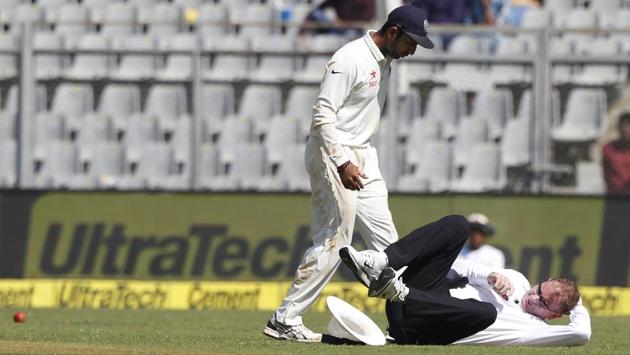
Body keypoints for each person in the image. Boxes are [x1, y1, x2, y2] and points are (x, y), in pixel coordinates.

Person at [263, 4, 435, 342]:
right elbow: (322, 115)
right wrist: (342, 162)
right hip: (334, 151)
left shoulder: (385, 61)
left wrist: (356, 158)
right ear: (393, 33)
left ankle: (406, 324)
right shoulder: (350, 58)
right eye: (411, 42)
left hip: (363, 154)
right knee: (335, 238)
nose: (413, 50)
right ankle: (285, 318)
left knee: (390, 245)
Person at [340, 215, 591, 346]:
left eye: (543, 303)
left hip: (420, 328)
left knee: (486, 312)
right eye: (539, 289)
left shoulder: (535, 331)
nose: (533, 297)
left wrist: (577, 305)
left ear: (555, 316)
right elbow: (456, 267)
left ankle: (397, 290)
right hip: (417, 296)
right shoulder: (517, 280)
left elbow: (580, 333)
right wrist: (488, 275)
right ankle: (381, 262)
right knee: (458, 225)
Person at [602, 112, 630, 196]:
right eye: (623, 125)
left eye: (628, 125)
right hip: (614, 199)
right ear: (618, 128)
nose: (625, 129)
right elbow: (606, 175)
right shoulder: (609, 148)